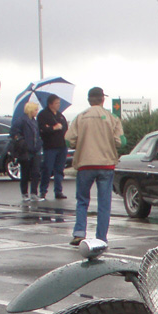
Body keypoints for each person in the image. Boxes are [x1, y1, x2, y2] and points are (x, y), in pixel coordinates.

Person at [65, 86, 126, 247]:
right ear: (102, 100)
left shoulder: (80, 117)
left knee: (82, 200)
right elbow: (121, 142)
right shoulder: (112, 117)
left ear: (88, 100)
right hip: (106, 164)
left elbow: (69, 140)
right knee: (104, 202)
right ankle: (101, 237)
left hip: (85, 164)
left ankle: (79, 233)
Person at [37, 94, 69, 200]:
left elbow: (65, 127)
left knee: (59, 170)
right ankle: (43, 191)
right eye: (56, 103)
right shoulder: (43, 115)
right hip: (50, 147)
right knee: (47, 169)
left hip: (62, 146)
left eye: (59, 103)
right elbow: (42, 130)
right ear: (50, 104)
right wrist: (53, 128)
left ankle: (58, 191)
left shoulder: (60, 115)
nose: (58, 105)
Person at [11, 101, 43, 202]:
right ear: (30, 110)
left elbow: (37, 135)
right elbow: (13, 133)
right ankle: (24, 193)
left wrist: (39, 143)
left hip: (35, 150)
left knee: (36, 173)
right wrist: (23, 142)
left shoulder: (34, 121)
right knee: (25, 173)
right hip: (26, 151)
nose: (37, 112)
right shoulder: (21, 121)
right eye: (35, 110)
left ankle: (34, 193)